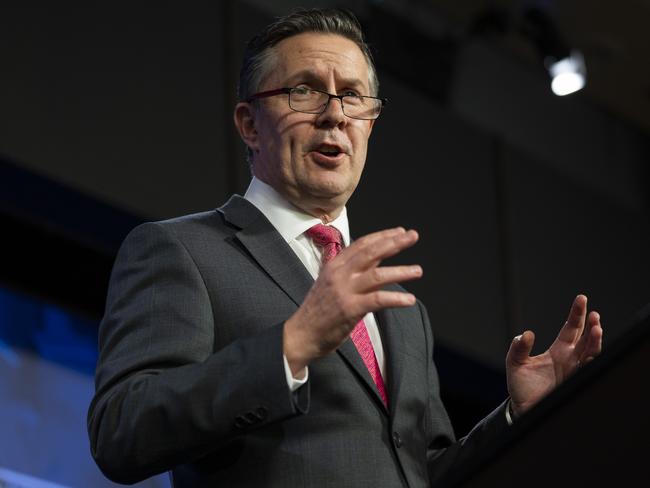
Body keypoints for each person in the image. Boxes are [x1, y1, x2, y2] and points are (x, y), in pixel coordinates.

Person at [87, 8, 603, 488]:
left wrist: (516, 417)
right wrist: (293, 344)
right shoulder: (184, 251)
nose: (334, 115)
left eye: (353, 96)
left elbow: (423, 473)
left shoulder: (404, 314)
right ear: (249, 124)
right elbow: (122, 430)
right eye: (305, 91)